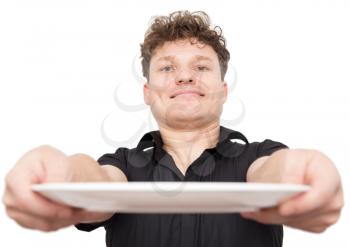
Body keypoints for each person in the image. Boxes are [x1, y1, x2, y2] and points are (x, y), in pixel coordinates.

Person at [2, 10, 343, 247]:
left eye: (201, 66)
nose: (185, 76)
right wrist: (61, 175)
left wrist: (302, 173)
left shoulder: (259, 156)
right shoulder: (122, 164)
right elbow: (96, 182)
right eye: (167, 67)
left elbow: (276, 172)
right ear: (148, 93)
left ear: (223, 91)